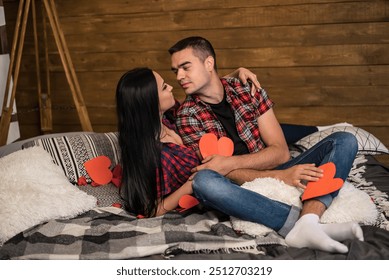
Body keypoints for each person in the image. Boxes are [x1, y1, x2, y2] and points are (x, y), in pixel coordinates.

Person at [168, 36, 363, 253]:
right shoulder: (187, 115)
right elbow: (221, 173)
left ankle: (308, 221)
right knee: (204, 182)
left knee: (344, 140)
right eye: (175, 70)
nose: (179, 76)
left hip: (274, 165)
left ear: (209, 63)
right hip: (237, 186)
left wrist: (231, 163)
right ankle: (296, 225)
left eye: (185, 67)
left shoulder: (245, 88)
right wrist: (279, 177)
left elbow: (280, 152)